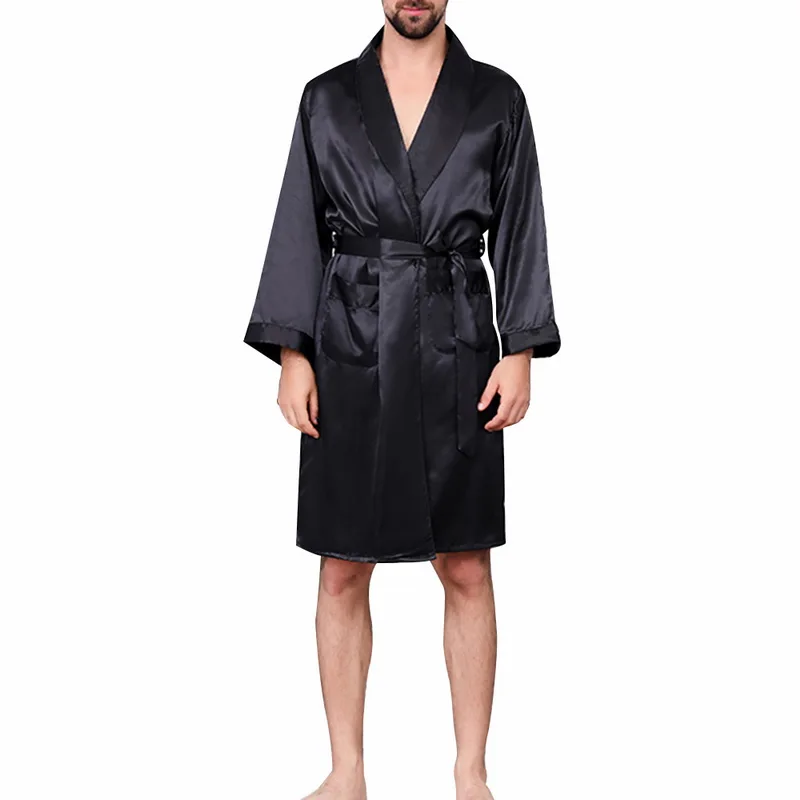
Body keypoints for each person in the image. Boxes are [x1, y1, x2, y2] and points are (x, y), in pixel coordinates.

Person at [243, 2, 561, 797]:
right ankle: (346, 772)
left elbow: (521, 225)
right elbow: (298, 224)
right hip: (349, 344)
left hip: (459, 345)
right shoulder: (326, 98)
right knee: (341, 569)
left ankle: (471, 775)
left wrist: (520, 348)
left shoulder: (497, 97)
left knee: (467, 564)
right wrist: (293, 352)